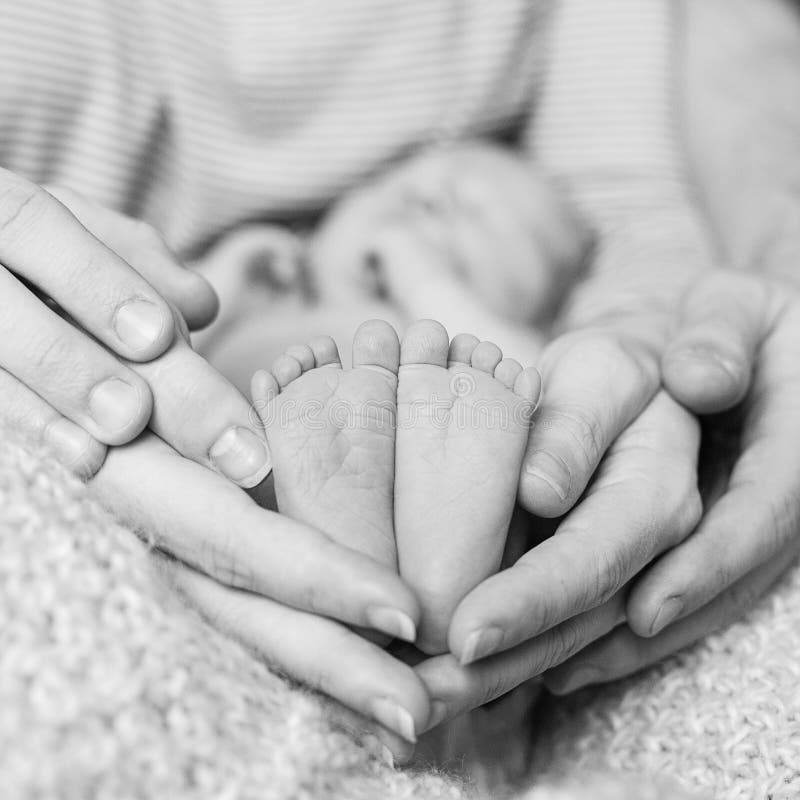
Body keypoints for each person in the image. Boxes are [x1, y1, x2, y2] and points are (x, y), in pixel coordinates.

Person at [0, 0, 798, 761]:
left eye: (471, 225)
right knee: (211, 393)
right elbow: (179, 309)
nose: (433, 197)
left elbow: (617, 266)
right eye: (423, 186)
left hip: (346, 406)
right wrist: (225, 276)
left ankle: (432, 547)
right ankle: (405, 560)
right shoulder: (284, 270)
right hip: (217, 399)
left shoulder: (436, 329)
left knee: (506, 404)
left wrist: (431, 281)